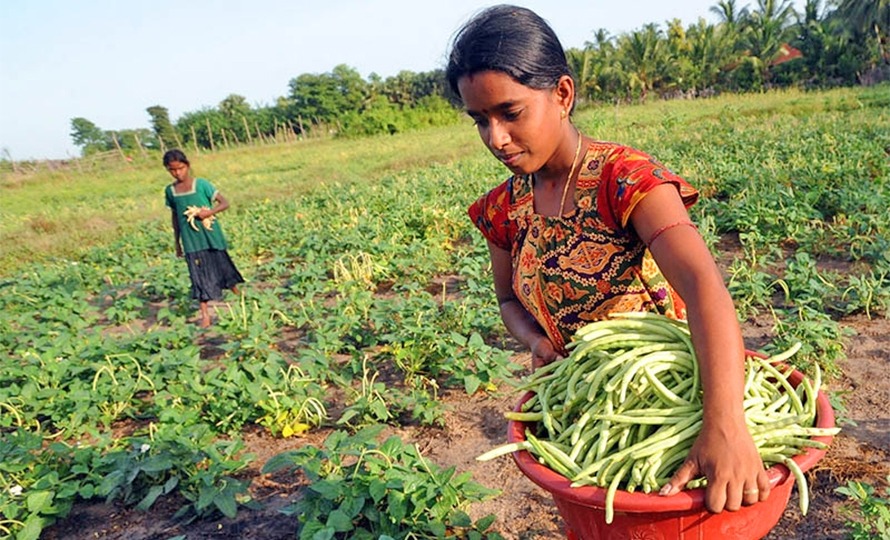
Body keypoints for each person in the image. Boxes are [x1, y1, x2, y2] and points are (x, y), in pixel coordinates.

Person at [446, 4, 769, 514]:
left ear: (563, 94)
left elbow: (705, 287)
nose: (496, 138)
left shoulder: (626, 179)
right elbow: (508, 299)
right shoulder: (503, 209)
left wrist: (725, 426)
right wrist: (535, 340)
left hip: (682, 397)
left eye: (510, 113)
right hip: (591, 413)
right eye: (479, 120)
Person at [163, 149, 244, 328]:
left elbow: (224, 203)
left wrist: (208, 212)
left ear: (187, 166)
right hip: (191, 240)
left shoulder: (201, 185)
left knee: (223, 266)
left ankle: (239, 295)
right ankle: (205, 315)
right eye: (172, 170)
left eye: (181, 168)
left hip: (211, 235)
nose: (178, 173)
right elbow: (175, 217)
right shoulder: (171, 191)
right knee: (198, 275)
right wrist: (177, 242)